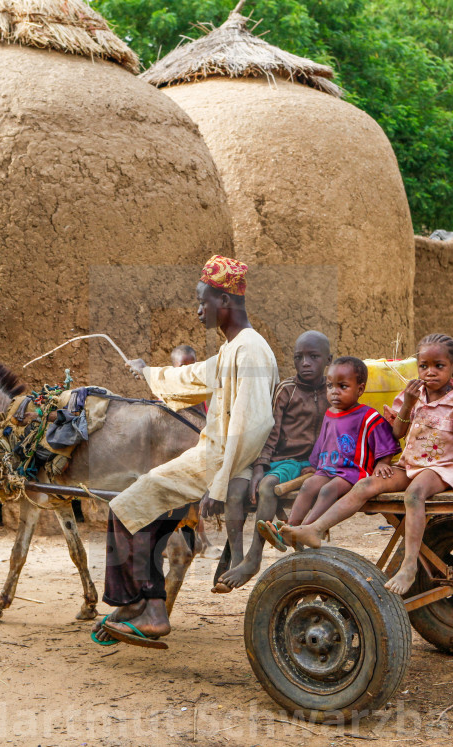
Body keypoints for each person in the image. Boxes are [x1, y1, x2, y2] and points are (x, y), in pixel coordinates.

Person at [90, 255, 279, 648]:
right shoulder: (232, 350)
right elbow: (190, 378)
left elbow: (254, 424)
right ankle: (139, 604)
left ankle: (149, 610)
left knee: (125, 507)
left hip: (216, 465)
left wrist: (222, 484)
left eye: (202, 301)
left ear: (223, 301)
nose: (198, 310)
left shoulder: (250, 351)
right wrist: (146, 372)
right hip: (209, 461)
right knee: (137, 510)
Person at [271, 334, 453, 595]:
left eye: (439, 366)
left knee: (414, 494)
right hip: (409, 465)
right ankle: (315, 529)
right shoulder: (414, 395)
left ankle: (409, 566)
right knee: (366, 484)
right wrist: (408, 404)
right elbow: (397, 432)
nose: (430, 372)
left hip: (440, 468)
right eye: (424, 366)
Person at [213, 330, 331, 591]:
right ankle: (237, 556)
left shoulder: (332, 392)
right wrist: (259, 466)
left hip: (307, 464)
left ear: (328, 360)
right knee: (236, 490)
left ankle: (254, 557)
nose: (306, 363)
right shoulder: (286, 390)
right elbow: (271, 431)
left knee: (267, 487)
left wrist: (322, 462)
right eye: (299, 358)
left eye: (313, 357)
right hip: (280, 459)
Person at [257, 356, 398, 551]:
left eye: (343, 386)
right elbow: (323, 442)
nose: (334, 392)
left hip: (352, 472)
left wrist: (383, 462)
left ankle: (306, 529)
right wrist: (314, 465)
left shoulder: (368, 416)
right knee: (308, 485)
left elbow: (385, 441)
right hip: (328, 467)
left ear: (360, 389)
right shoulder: (331, 413)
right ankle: (289, 529)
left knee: (327, 490)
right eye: (330, 386)